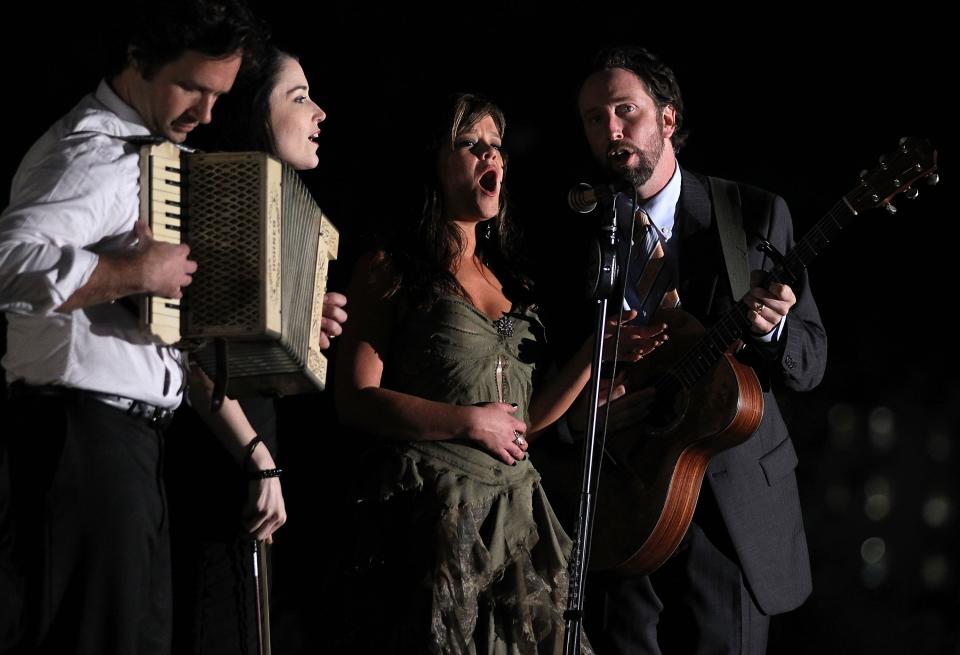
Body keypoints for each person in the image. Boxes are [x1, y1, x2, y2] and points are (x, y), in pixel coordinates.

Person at [334, 91, 664, 654]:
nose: (493, 158)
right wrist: (467, 422)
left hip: (516, 524)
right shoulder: (389, 268)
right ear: (434, 161)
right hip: (436, 520)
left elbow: (523, 425)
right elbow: (356, 398)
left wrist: (594, 352)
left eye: (498, 147)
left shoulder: (511, 279)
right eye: (472, 145)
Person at [0, 2, 263, 653]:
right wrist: (133, 271)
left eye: (218, 96)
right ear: (139, 61)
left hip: (132, 450)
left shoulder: (151, 159)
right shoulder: (90, 150)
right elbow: (10, 264)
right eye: (193, 88)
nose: (205, 114)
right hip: (81, 440)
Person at [570, 46, 827, 654]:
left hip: (727, 510)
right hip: (624, 502)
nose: (609, 130)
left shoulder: (754, 214)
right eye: (592, 119)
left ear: (667, 118)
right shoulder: (581, 232)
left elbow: (810, 363)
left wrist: (770, 331)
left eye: (624, 111)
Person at [163, 46, 347, 654]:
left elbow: (233, 334)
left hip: (243, 452)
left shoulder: (260, 203)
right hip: (215, 457)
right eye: (298, 98)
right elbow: (186, 348)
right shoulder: (211, 196)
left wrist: (300, 322)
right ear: (252, 113)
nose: (319, 113)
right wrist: (256, 457)